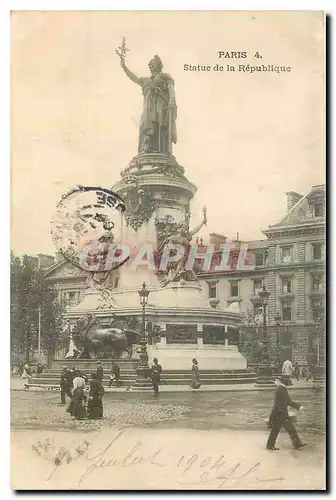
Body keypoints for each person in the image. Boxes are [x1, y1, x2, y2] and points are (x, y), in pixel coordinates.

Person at [266, 376, 306, 451]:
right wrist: (284, 413)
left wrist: (299, 406)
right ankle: (296, 444)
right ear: (285, 382)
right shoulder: (281, 389)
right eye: (289, 381)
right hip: (280, 414)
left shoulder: (282, 388)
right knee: (278, 429)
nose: (290, 382)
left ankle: (297, 444)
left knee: (284, 429)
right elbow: (280, 403)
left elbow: (288, 401)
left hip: (279, 413)